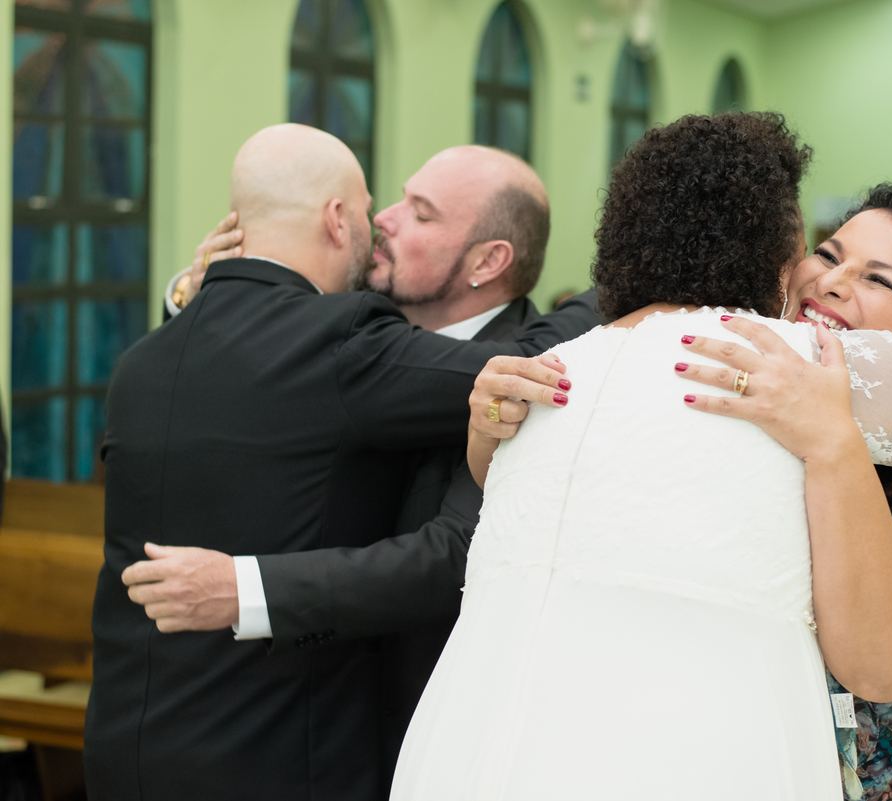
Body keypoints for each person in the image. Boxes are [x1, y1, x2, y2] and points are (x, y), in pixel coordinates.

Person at [392, 116, 892, 800]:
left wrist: (831, 437)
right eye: (831, 252)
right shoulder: (727, 368)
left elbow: (883, 666)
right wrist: (496, 432)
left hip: (888, 779)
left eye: (880, 279)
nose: (833, 282)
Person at [84, 125, 601, 801]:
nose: (382, 219)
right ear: (335, 220)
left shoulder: (142, 362)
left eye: (419, 211)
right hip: (280, 753)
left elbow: (454, 552)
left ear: (488, 261)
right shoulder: (347, 341)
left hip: (405, 744)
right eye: (380, 203)